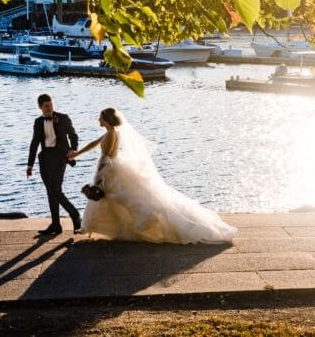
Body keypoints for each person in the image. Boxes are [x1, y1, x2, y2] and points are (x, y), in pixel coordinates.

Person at [68, 108, 236, 245]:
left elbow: (105, 157)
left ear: (105, 119)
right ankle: (89, 227)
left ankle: (90, 227)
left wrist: (98, 176)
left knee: (108, 198)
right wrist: (77, 153)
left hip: (108, 170)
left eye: (100, 117)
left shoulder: (111, 134)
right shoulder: (111, 132)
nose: (98, 120)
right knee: (108, 199)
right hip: (111, 169)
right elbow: (94, 144)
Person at [26, 93, 81, 236]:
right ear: (40, 107)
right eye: (46, 106)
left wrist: (72, 150)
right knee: (50, 192)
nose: (49, 108)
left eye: (50, 104)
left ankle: (74, 214)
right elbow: (34, 143)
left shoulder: (63, 118)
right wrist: (29, 164)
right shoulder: (38, 122)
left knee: (56, 191)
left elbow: (73, 135)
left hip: (60, 158)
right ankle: (56, 224)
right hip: (44, 159)